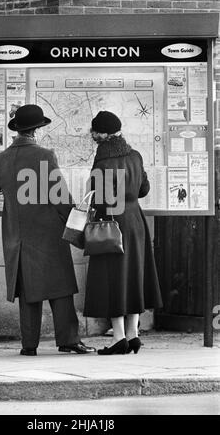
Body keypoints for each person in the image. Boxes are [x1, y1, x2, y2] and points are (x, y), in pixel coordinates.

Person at [0, 104, 95, 356]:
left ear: (17, 130)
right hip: (49, 235)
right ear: (36, 129)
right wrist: (77, 225)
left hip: (17, 239)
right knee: (61, 289)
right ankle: (68, 340)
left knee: (28, 293)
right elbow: (60, 198)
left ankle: (29, 345)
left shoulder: (1, 160)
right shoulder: (45, 156)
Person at [83, 111, 163, 355]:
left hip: (111, 223)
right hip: (136, 222)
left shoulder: (103, 161)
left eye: (95, 131)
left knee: (114, 278)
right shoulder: (135, 156)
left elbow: (100, 197)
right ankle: (133, 334)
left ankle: (119, 337)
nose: (93, 135)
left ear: (104, 134)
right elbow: (144, 189)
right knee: (134, 275)